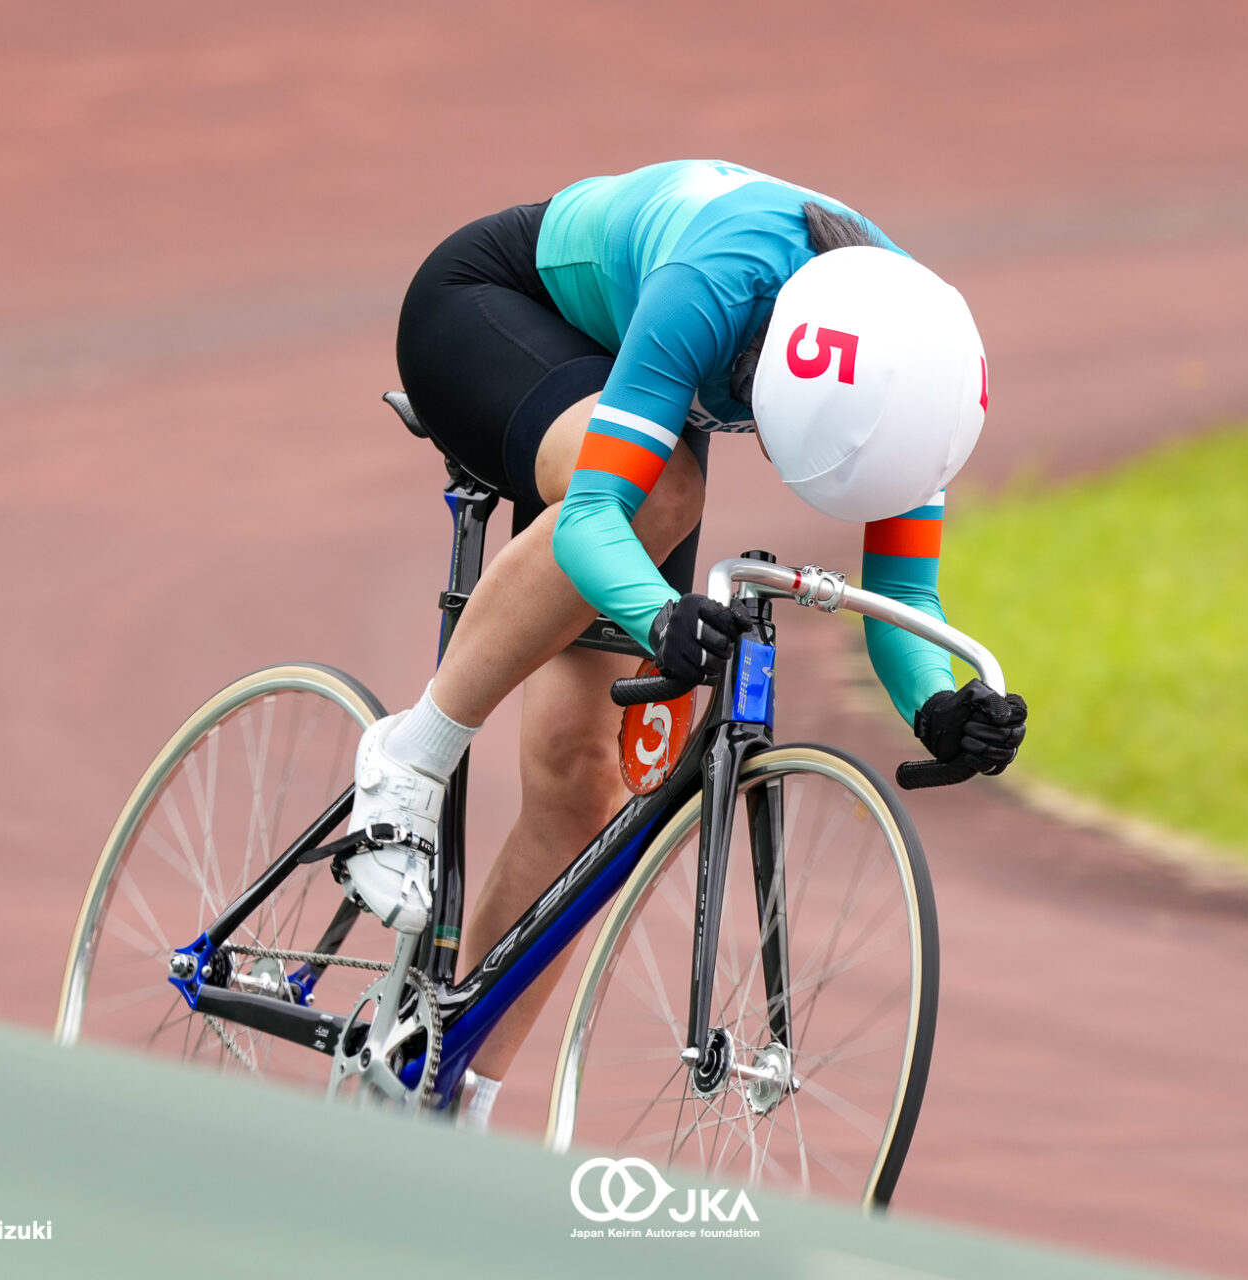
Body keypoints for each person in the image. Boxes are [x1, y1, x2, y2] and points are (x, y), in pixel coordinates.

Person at [344, 160, 1027, 1129]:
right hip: (497, 308)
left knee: (583, 788)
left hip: (649, 391)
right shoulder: (725, 277)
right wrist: (659, 613)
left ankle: (441, 1089)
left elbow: (900, 594)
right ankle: (409, 755)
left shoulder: (917, 375)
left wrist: (939, 704)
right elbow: (593, 518)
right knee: (658, 494)